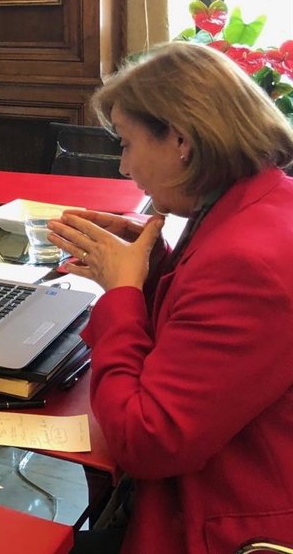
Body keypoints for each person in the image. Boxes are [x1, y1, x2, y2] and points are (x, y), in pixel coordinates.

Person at [46, 41, 293, 554]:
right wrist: (153, 264)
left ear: (180, 139)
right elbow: (209, 342)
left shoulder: (246, 263)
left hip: (224, 523)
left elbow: (146, 443)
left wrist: (122, 293)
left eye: (126, 144)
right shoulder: (265, 198)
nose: (123, 167)